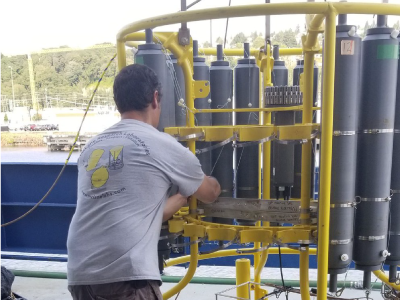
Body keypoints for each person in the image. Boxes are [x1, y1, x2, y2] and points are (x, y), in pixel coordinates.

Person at [67, 64, 221, 300]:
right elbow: (209, 193)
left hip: (80, 275)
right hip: (125, 278)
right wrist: (210, 181)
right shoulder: (160, 143)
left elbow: (137, 214)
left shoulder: (92, 146)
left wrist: (181, 196)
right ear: (155, 98)